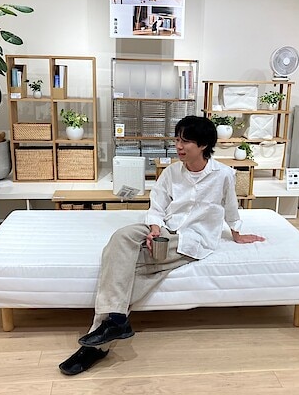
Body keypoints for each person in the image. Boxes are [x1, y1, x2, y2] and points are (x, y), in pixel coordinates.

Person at [59, 115, 265, 375]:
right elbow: (156, 205)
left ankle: (97, 344)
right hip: (165, 228)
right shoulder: (171, 172)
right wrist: (155, 227)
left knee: (130, 270)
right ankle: (116, 321)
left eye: (185, 141)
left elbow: (231, 208)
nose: (178, 146)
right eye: (177, 139)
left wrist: (236, 233)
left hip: (194, 239)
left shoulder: (223, 175)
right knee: (121, 238)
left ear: (203, 145)